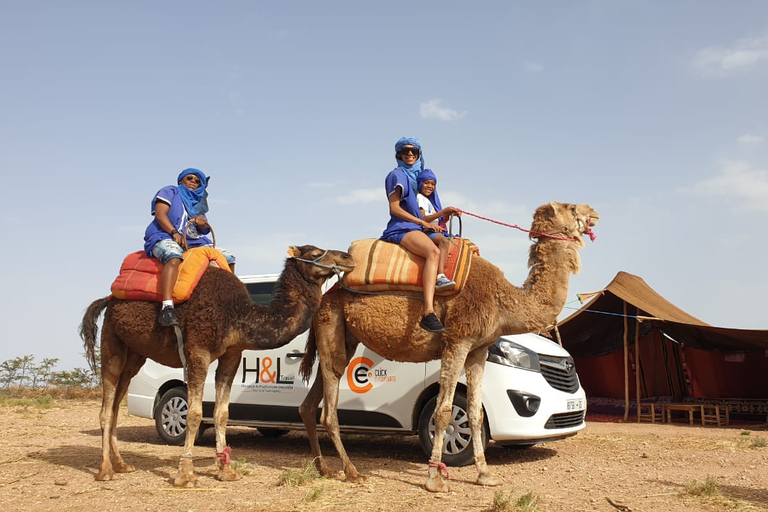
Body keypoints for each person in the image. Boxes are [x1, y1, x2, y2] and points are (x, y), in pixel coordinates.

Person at [381, 137, 459, 333]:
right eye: (405, 151)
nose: (410, 155)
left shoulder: (416, 179)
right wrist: (422, 222)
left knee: (447, 243)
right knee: (432, 252)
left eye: (414, 152)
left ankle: (440, 279)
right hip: (403, 227)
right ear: (398, 154)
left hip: (418, 227)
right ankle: (428, 311)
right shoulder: (397, 175)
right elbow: (394, 208)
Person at [143, 168, 236, 326]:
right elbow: (160, 214)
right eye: (190, 178)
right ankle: (167, 307)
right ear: (181, 181)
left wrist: (201, 223)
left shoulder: (198, 204)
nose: (193, 182)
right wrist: (174, 233)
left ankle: (228, 303)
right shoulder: (170, 191)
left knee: (228, 258)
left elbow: (202, 229)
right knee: (173, 256)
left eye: (197, 181)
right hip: (164, 236)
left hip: (195, 242)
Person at [416, 168, 461, 291]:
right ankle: (440, 276)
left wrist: (448, 215)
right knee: (443, 241)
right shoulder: (419, 198)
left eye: (432, 184)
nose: (430, 186)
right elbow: (423, 218)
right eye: (426, 183)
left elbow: (437, 221)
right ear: (420, 183)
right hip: (425, 231)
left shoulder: (431, 202)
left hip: (433, 230)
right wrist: (443, 211)